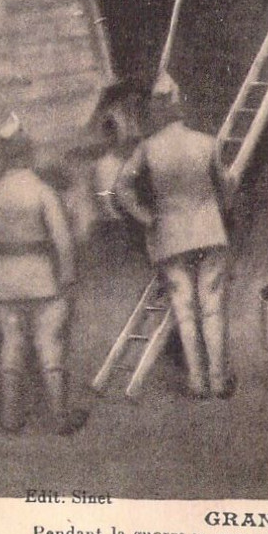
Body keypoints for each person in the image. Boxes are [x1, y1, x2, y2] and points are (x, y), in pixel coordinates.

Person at [114, 72, 234, 398]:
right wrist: (218, 211)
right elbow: (226, 190)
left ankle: (197, 381)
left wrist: (145, 217)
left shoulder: (148, 149)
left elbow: (121, 187)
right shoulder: (207, 143)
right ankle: (219, 379)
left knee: (184, 309)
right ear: (180, 105)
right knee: (212, 307)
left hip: (170, 232)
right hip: (208, 230)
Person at [0, 114, 87, 434]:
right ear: (28, 153)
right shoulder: (43, 192)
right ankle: (61, 419)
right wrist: (67, 278)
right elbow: (63, 242)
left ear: (3, 155)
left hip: (2, 281)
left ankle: (10, 419)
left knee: (11, 345)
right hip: (41, 279)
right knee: (49, 345)